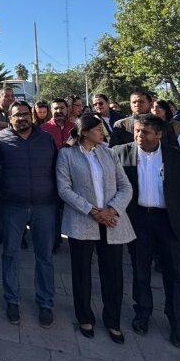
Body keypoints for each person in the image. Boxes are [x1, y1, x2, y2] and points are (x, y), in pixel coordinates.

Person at [113, 115, 180, 348]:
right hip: (138, 219)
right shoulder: (122, 153)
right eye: (137, 131)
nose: (140, 136)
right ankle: (142, 314)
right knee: (140, 271)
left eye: (146, 132)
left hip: (168, 222)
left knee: (173, 274)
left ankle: (177, 322)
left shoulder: (178, 158)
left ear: (159, 134)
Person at [56, 114, 135, 343]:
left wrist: (112, 210)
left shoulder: (109, 153)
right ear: (84, 132)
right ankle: (84, 316)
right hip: (83, 220)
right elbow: (64, 188)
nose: (103, 133)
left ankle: (113, 320)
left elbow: (125, 186)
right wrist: (93, 211)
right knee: (81, 271)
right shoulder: (67, 154)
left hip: (111, 221)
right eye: (98, 129)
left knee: (113, 273)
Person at [0, 101, 59, 326]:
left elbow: (56, 169)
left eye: (24, 114)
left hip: (44, 206)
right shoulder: (1, 139)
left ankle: (45, 301)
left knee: (45, 256)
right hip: (13, 206)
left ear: (31, 116)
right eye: (16, 115)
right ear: (9, 118)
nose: (21, 118)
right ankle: (12, 299)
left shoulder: (46, 139)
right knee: (10, 254)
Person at [112, 91, 177, 147]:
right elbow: (114, 150)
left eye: (141, 102)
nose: (137, 104)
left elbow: (174, 149)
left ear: (150, 104)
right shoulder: (121, 125)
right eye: (134, 102)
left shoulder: (164, 125)